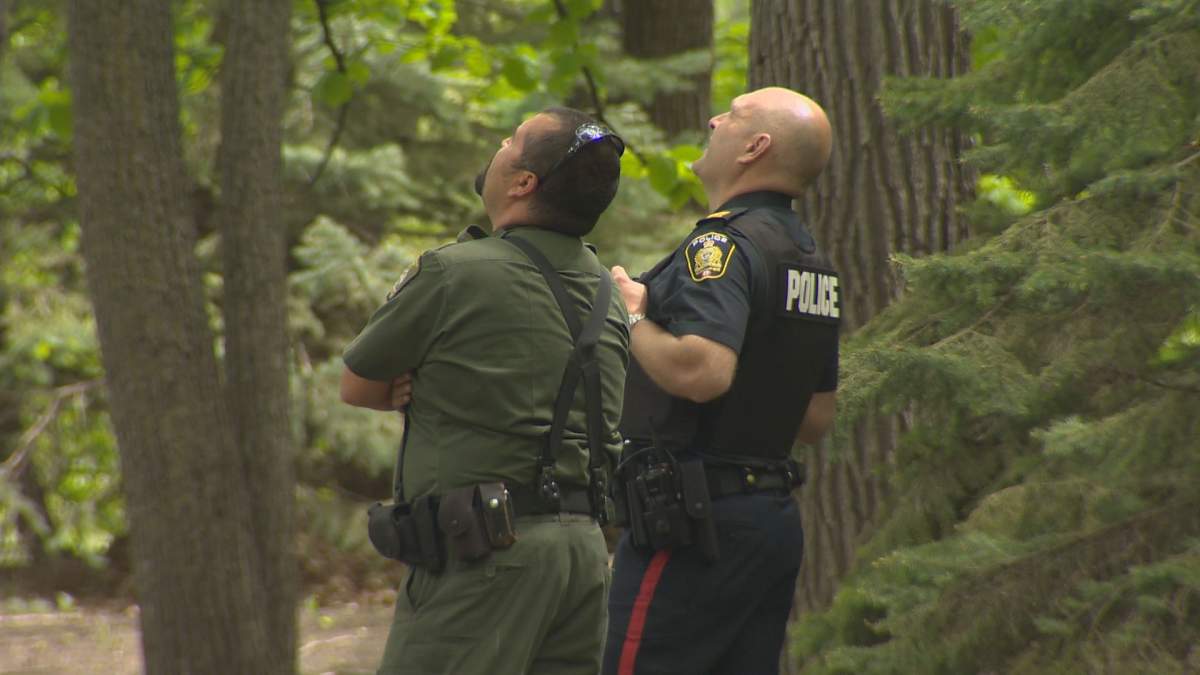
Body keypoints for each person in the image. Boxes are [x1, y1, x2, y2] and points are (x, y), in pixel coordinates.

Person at [340, 106, 630, 675]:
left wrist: (415, 385)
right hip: (585, 554)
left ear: (523, 184)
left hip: (488, 558)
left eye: (512, 139)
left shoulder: (455, 272)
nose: (499, 144)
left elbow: (359, 383)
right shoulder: (606, 289)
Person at [602, 87, 840, 674]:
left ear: (754, 148)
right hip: (768, 522)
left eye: (731, 116)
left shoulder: (720, 245)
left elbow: (705, 372)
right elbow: (815, 421)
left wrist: (630, 312)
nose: (712, 119)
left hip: (693, 524)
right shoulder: (812, 263)